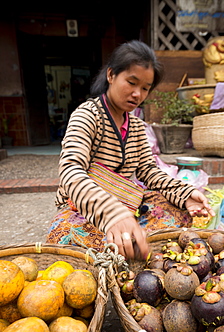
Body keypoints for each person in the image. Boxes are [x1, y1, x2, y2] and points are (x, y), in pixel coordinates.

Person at [46, 40, 215, 260]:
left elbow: (148, 171)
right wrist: (113, 214)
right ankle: (127, 239)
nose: (137, 94)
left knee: (180, 213)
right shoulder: (87, 115)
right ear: (111, 75)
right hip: (85, 208)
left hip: (127, 202)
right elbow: (71, 172)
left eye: (145, 88)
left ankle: (129, 239)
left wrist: (184, 193)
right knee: (63, 236)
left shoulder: (136, 126)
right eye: (131, 82)